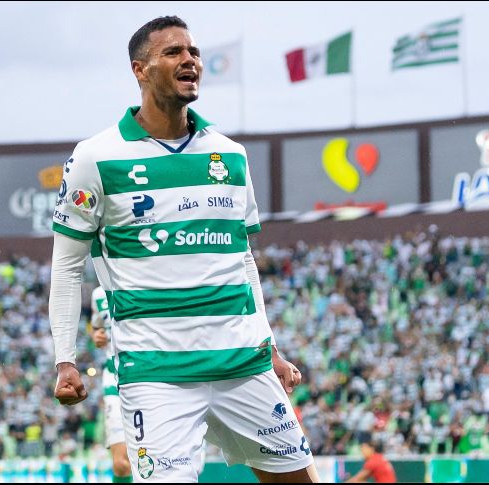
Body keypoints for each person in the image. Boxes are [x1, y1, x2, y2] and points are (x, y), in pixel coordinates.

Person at [48, 15, 318, 483]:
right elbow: (68, 267)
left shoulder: (229, 153)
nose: (189, 59)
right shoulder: (95, 156)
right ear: (140, 70)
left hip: (242, 362)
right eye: (173, 52)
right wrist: (65, 359)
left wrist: (269, 345)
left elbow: (242, 260)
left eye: (193, 52)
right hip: (157, 376)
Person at [89, 285, 132, 482]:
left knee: (155, 458)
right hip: (113, 380)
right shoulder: (98, 295)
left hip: (148, 375)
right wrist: (97, 336)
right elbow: (98, 329)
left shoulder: (145, 281)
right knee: (121, 465)